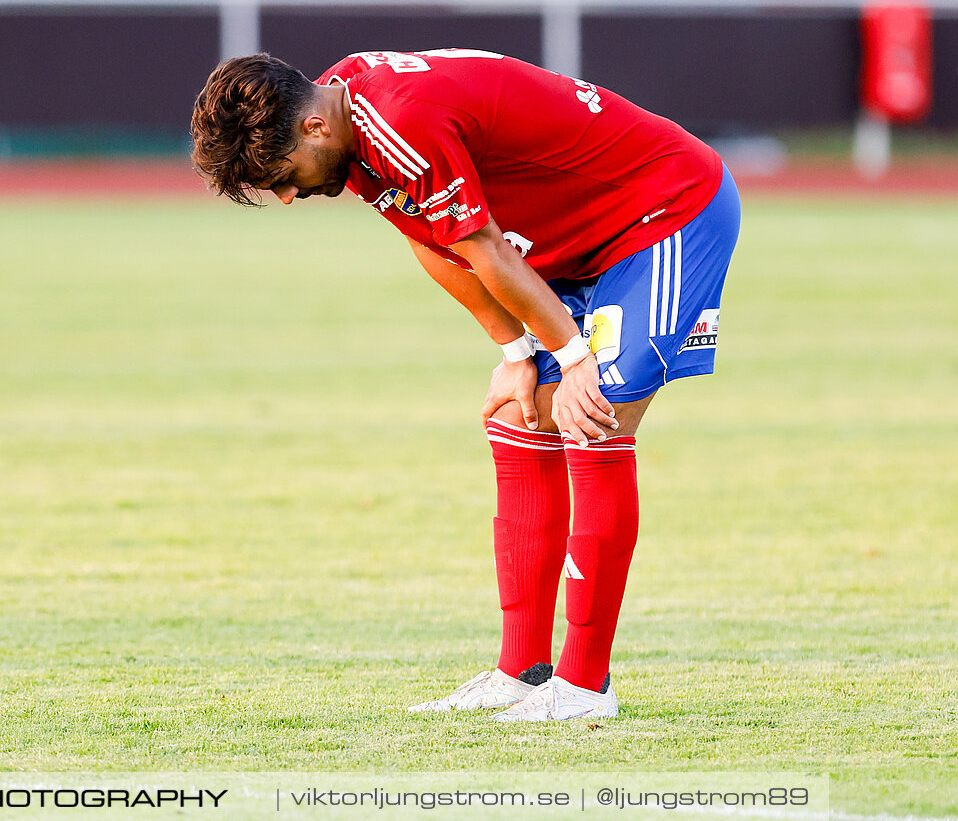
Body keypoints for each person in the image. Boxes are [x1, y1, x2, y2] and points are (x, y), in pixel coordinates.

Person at [189, 48, 740, 721]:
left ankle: (587, 686)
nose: (285, 195)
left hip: (664, 210)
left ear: (312, 131)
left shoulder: (399, 119)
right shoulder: (346, 115)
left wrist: (571, 357)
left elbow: (486, 249)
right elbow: (431, 239)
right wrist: (515, 350)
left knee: (591, 413)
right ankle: (525, 672)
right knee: (519, 415)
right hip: (581, 239)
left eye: (280, 177)